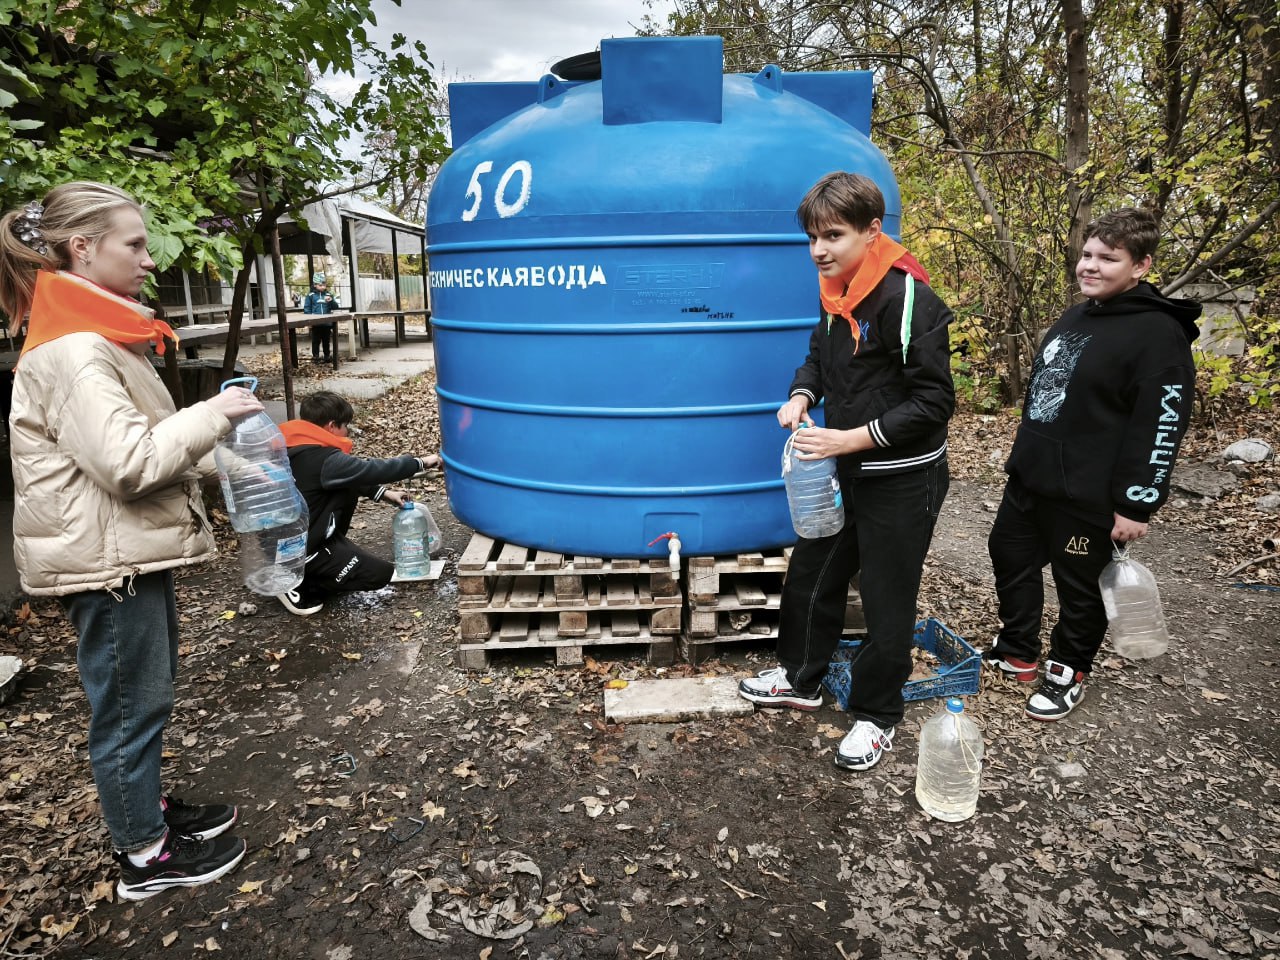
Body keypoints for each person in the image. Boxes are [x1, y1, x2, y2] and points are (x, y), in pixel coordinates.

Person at [0, 182, 263, 899]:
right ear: (82, 249)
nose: (151, 260)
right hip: (108, 564)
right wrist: (213, 411)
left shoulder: (93, 339)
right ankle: (144, 855)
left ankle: (143, 808)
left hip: (122, 552)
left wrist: (226, 456)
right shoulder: (78, 352)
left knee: (142, 698)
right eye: (135, 245)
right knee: (129, 707)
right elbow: (128, 465)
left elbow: (141, 445)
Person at [737, 172, 956, 772]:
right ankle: (799, 679)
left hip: (903, 476)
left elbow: (934, 401)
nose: (819, 251)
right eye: (812, 237)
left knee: (888, 599)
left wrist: (854, 437)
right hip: (846, 469)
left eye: (833, 235)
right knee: (813, 571)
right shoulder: (837, 291)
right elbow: (819, 356)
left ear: (872, 231)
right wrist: (802, 395)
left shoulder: (909, 301)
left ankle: (876, 716)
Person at [984, 208, 1200, 721]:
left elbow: (1161, 425)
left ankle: (1067, 671)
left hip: (1090, 494)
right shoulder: (1080, 314)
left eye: (1108, 258)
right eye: (1086, 254)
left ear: (1141, 265)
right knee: (1009, 555)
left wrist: (1137, 503)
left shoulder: (1157, 335)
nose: (1090, 266)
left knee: (1079, 587)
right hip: (1033, 477)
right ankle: (1018, 649)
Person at [276, 390, 440, 616]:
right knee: (378, 575)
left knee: (348, 485)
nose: (347, 432)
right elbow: (371, 470)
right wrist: (420, 462)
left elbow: (350, 476)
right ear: (332, 426)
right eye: (346, 426)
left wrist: (385, 494)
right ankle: (294, 581)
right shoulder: (323, 459)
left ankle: (323, 564)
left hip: (292, 540)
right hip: (300, 552)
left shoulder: (291, 446)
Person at [302, 272, 338, 362]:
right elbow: (307, 308)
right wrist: (309, 320)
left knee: (326, 341)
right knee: (315, 341)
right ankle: (316, 356)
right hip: (316, 324)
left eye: (324, 285)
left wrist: (331, 301)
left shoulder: (329, 295)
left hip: (327, 324)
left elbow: (335, 307)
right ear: (315, 285)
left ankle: (327, 356)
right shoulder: (311, 296)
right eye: (320, 285)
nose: (322, 287)